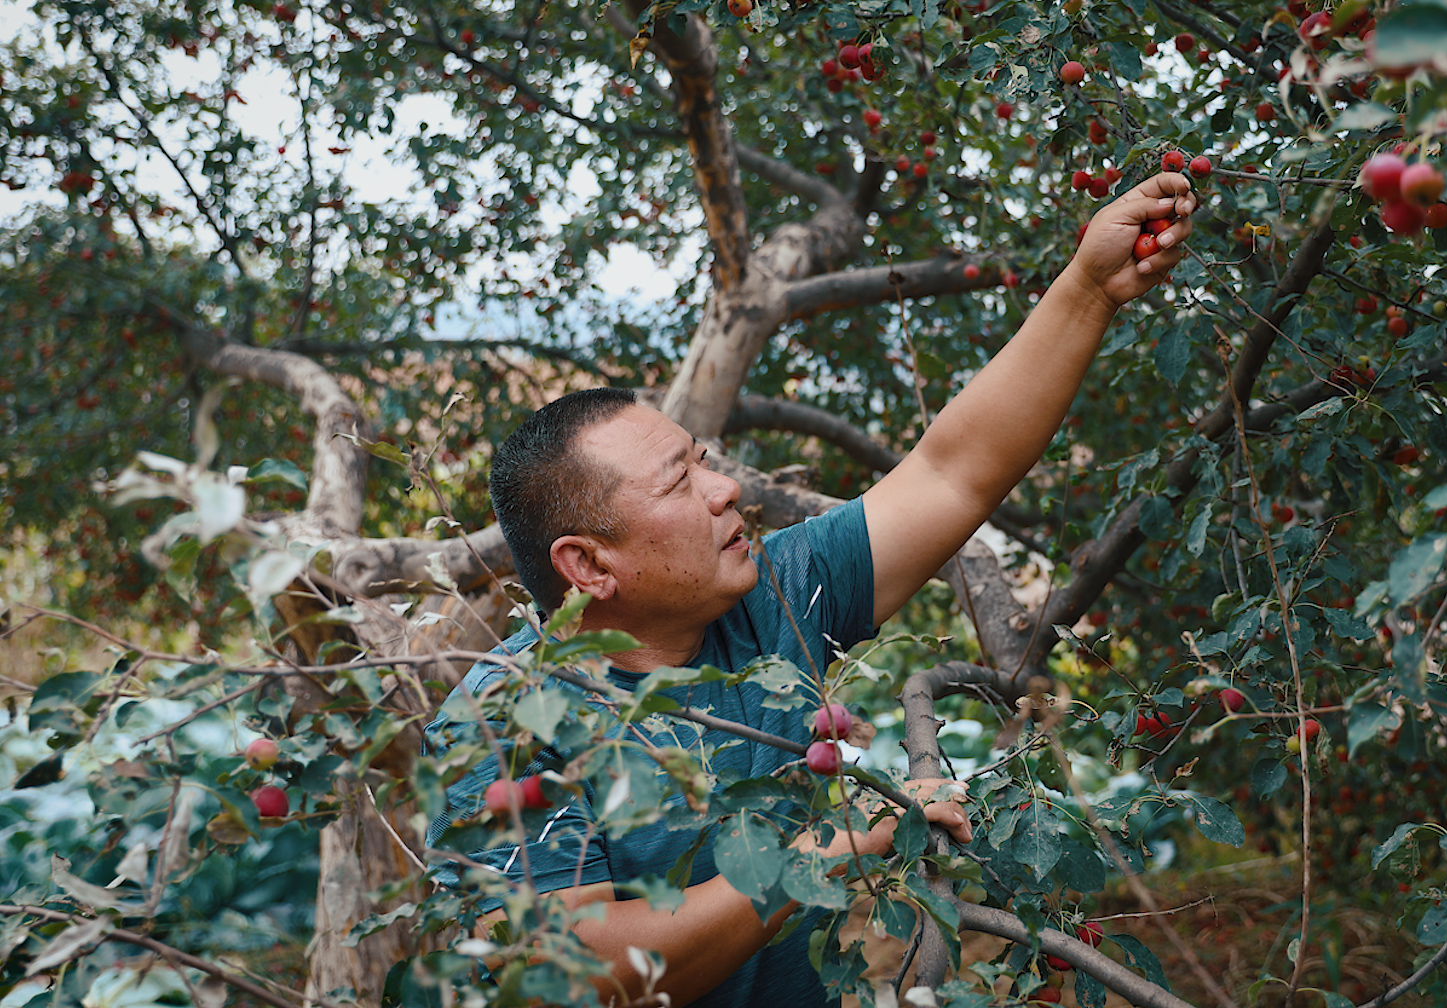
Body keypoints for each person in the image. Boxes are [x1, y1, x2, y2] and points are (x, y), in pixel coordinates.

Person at [422, 173, 1200, 1007]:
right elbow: (574, 977)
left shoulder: (773, 594)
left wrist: (1088, 288)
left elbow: (952, 473)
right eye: (677, 484)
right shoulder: (502, 725)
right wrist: (831, 854)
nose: (723, 490)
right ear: (589, 567)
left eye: (704, 461)